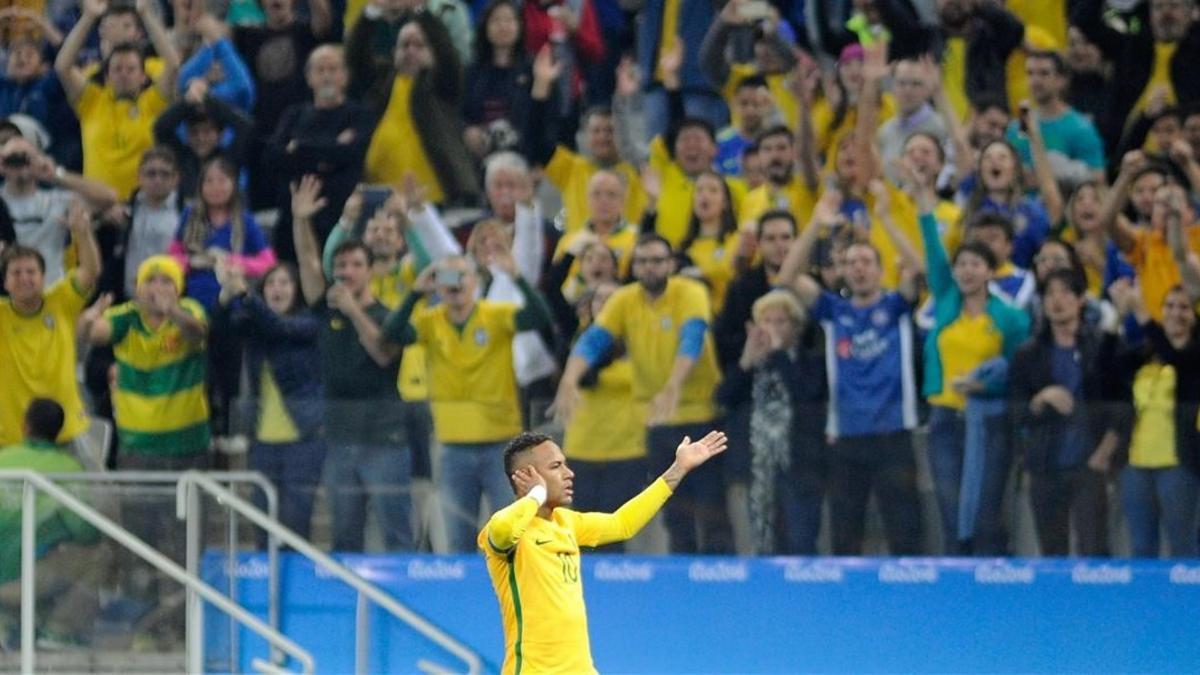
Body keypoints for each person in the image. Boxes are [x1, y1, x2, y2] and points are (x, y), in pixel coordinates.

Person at [480, 429, 727, 674]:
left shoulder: (567, 523)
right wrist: (536, 494)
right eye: (556, 467)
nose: (569, 474)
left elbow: (622, 524)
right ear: (526, 475)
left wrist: (679, 468)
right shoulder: (509, 532)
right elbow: (502, 529)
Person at [555, 233, 731, 553]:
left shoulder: (690, 292)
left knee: (712, 509)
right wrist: (569, 379)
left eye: (657, 261)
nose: (650, 268)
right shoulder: (625, 299)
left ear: (671, 264)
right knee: (675, 513)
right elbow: (594, 340)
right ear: (634, 266)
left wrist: (674, 384)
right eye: (643, 261)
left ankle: (725, 587)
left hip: (700, 414)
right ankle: (683, 586)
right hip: (659, 420)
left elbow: (691, 338)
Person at [776, 187, 926, 556]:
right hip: (846, 440)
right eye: (851, 263)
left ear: (880, 270)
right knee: (845, 536)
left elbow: (921, 271)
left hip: (895, 435)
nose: (858, 268)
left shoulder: (895, 307)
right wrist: (815, 224)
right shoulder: (833, 312)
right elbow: (786, 277)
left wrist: (887, 219)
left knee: (905, 533)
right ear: (842, 271)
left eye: (866, 262)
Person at [381, 250, 555, 553]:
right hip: (452, 446)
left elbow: (540, 317)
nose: (455, 284)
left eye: (462, 275)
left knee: (512, 534)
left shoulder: (496, 315)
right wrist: (414, 294)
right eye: (446, 278)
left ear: (475, 282)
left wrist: (517, 277)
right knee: (458, 537)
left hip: (502, 445)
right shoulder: (429, 321)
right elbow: (392, 332)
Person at [292, 176, 413, 552]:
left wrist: (354, 310)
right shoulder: (329, 306)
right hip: (341, 440)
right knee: (345, 536)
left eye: (355, 265)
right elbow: (309, 265)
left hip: (385, 440)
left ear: (370, 270)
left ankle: (402, 607)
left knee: (396, 534)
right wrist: (300, 221)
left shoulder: (387, 314)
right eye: (340, 265)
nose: (345, 272)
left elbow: (382, 353)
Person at [1009, 269, 1117, 556]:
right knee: (1051, 551)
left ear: (1081, 299)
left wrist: (1104, 453)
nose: (1057, 300)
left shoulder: (1100, 347)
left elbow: (1122, 406)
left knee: (1094, 549)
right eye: (1050, 293)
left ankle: (1096, 603)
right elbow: (1015, 411)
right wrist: (1040, 398)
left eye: (1066, 292)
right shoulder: (1027, 353)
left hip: (1090, 464)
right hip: (1045, 465)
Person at [220, 263, 326, 540]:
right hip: (262, 442)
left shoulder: (309, 322)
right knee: (261, 521)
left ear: (297, 290)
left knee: (295, 522)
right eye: (270, 283)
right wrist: (226, 294)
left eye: (285, 283)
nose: (277, 289)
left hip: (303, 440)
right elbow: (222, 330)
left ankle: (295, 582)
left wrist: (246, 295)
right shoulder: (254, 324)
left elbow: (278, 327)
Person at [715, 290, 826, 554]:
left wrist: (778, 353)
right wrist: (746, 361)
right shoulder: (751, 364)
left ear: (796, 327)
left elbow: (805, 394)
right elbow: (723, 399)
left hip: (799, 467)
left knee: (800, 542)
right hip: (757, 470)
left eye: (780, 322)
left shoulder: (811, 361)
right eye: (766, 321)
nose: (772, 328)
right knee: (762, 544)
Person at [0, 399, 103, 646]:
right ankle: (59, 630)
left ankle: (12, 621)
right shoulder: (67, 468)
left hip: (10, 579)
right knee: (100, 554)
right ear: (59, 431)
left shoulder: (3, 459)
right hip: (28, 580)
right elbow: (86, 531)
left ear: (25, 426)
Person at [55, 0, 181, 200]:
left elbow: (173, 64)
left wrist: (146, 14)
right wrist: (88, 17)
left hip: (142, 205)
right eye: (117, 69)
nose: (124, 74)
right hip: (97, 205)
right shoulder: (92, 102)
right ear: (106, 76)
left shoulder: (152, 103)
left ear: (143, 76)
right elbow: (63, 66)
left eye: (131, 69)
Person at [0, 202, 100, 451]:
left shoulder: (61, 301)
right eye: (16, 273)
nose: (25, 278)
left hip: (67, 431)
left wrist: (83, 232)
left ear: (43, 278)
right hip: (11, 436)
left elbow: (90, 270)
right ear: (5, 282)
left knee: (83, 490)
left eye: (31, 271)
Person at [264, 44, 374, 262]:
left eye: (333, 69)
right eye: (320, 70)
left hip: (340, 217)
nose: (327, 77)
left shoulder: (360, 115)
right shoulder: (293, 114)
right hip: (292, 220)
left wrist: (299, 148)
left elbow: (350, 153)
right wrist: (331, 148)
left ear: (345, 76)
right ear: (309, 77)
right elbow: (273, 158)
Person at [363, 12, 479, 207]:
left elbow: (447, 54)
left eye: (419, 45)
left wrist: (420, 12)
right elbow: (357, 57)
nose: (410, 51)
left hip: (434, 200)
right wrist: (371, 14)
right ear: (394, 52)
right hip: (382, 200)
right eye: (405, 45)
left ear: (434, 51)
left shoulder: (442, 86)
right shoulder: (381, 84)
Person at [0, 133, 117, 286]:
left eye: (27, 159)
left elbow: (109, 198)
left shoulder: (57, 200)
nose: (21, 166)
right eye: (13, 160)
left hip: (52, 290)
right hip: (8, 293)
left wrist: (56, 174)